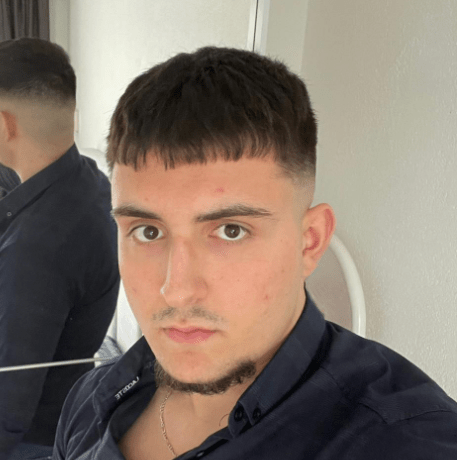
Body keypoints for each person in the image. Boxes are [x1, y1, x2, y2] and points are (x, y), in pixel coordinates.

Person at [53, 47, 457, 460]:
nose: (176, 290)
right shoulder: (91, 401)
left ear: (309, 242)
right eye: (148, 231)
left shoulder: (405, 441)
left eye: (230, 231)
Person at [0, 38, 120, 459]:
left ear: (5, 125)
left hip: (29, 439)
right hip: (66, 397)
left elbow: (5, 412)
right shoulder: (88, 182)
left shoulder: (32, 251)